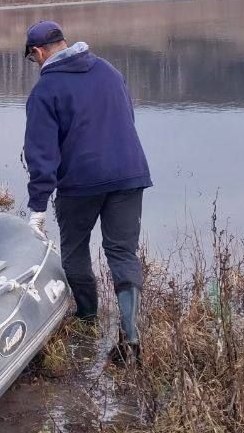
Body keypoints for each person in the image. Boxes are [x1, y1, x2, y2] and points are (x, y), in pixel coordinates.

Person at [22, 20, 152, 366]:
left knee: (75, 252)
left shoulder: (45, 92)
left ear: (37, 53)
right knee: (123, 253)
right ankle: (130, 334)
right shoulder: (109, 71)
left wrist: (37, 210)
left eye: (33, 60)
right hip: (129, 175)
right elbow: (127, 118)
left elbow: (41, 155)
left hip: (80, 185)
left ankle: (87, 318)